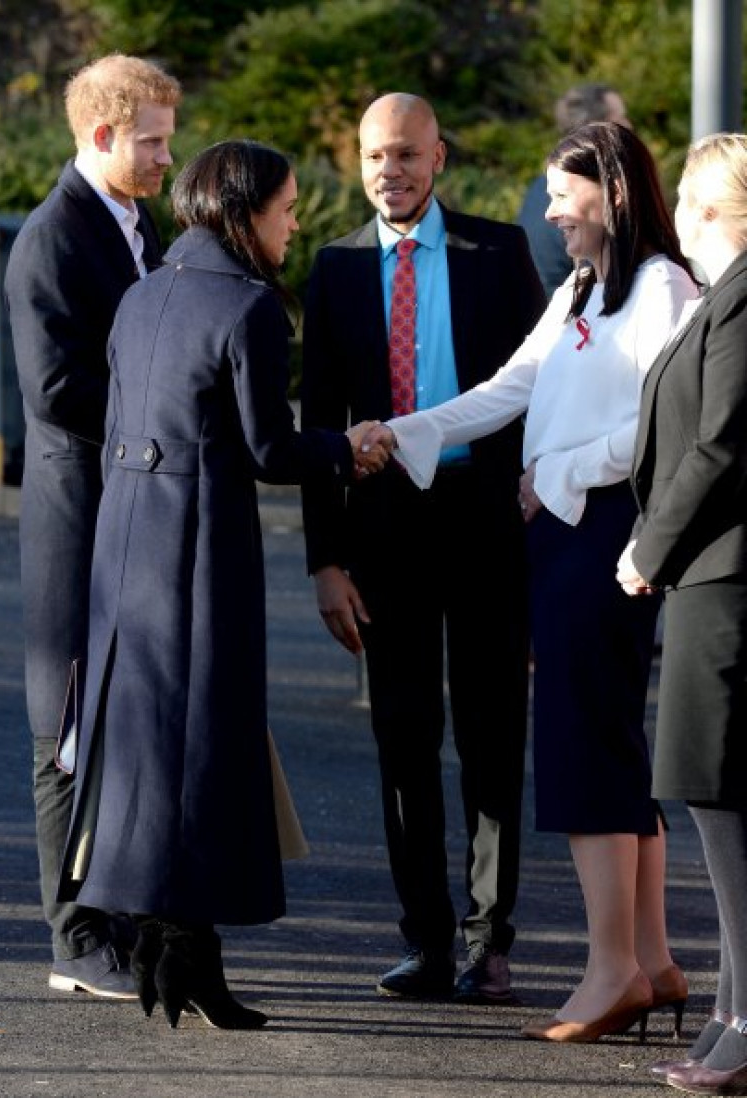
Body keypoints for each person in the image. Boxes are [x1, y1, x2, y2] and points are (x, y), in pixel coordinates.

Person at [365, 121, 700, 1041]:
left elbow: (661, 429)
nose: (549, 210)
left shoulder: (664, 287)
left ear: (615, 194)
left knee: (586, 747)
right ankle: (655, 963)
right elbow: (511, 385)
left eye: (564, 193)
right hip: (565, 536)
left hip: (602, 535)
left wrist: (554, 474)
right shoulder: (586, 286)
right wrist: (406, 430)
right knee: (609, 745)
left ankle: (612, 972)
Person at [55, 140, 389, 1030]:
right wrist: (346, 449)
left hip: (125, 541)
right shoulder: (247, 309)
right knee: (205, 747)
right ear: (244, 213)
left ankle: (183, 949)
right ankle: (179, 946)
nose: (292, 226)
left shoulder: (142, 294)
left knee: (147, 747)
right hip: (198, 547)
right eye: (283, 211)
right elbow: (270, 449)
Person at [301, 92, 546, 1004]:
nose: (389, 172)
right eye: (373, 157)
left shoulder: (499, 253)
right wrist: (325, 561)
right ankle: (426, 940)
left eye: (406, 155)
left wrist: (539, 509)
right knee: (402, 738)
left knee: (491, 736)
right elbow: (317, 423)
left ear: (438, 157)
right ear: (357, 163)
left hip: (488, 523)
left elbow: (539, 389)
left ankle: (491, 939)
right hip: (384, 536)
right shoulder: (333, 270)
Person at [4, 53, 181, 999]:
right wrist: (170, 407)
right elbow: (57, 390)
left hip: (129, 509)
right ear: (102, 135)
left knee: (117, 722)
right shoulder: (53, 237)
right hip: (79, 519)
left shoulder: (130, 222)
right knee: (67, 728)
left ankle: (109, 917)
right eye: (151, 140)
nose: (165, 156)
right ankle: (73, 940)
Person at [617, 133, 747, 1094]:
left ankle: (745, 1023)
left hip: (726, 577)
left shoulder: (743, 297)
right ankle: (729, 1014)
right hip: (711, 574)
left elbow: (720, 446)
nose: (683, 224)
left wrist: (646, 547)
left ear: (717, 210)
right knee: (716, 795)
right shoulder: (727, 298)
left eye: (694, 205)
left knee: (722, 795)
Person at [517, 83, 630, 297]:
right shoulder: (589, 201)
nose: (628, 125)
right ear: (597, 129)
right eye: (619, 119)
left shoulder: (539, 188)